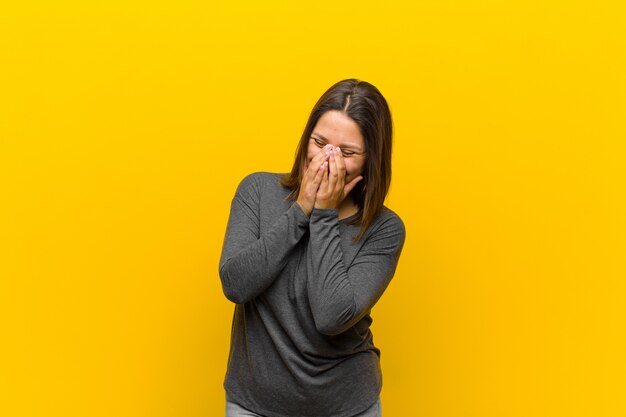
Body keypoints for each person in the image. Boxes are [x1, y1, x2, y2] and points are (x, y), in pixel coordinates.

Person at [218, 78, 406, 417]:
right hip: (254, 405)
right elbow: (235, 284)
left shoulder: (385, 229)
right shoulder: (257, 191)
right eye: (319, 143)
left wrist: (323, 213)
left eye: (347, 153)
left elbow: (332, 316)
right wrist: (300, 210)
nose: (328, 158)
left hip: (347, 407)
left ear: (370, 161)